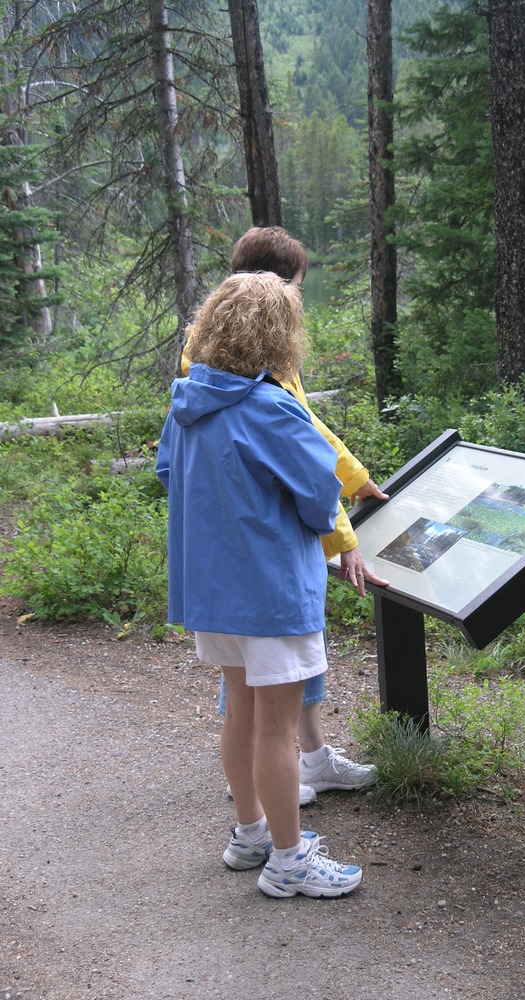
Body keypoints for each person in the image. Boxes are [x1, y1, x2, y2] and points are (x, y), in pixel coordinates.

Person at [156, 271, 362, 897]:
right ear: (278, 334)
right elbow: (320, 493)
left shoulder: (186, 401)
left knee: (240, 712)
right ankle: (289, 860)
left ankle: (250, 833)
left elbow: (168, 472)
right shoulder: (271, 406)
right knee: (276, 728)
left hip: (213, 593)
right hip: (271, 590)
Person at [181, 226, 390, 815]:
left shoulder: (203, 376)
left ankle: (282, 787)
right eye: (296, 291)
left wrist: (355, 476)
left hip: (220, 569)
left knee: (256, 687)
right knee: (266, 700)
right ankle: (278, 821)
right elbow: (305, 465)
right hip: (268, 566)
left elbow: (181, 473)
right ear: (273, 298)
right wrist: (343, 533)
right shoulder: (257, 378)